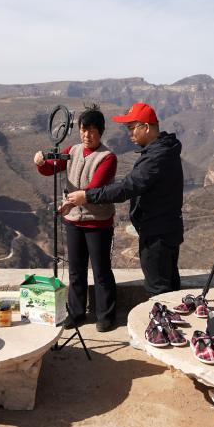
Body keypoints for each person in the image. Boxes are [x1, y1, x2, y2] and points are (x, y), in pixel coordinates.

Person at [65, 102, 184, 295]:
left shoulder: (157, 157)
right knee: (170, 287)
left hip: (157, 236)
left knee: (159, 290)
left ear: (146, 127)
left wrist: (87, 196)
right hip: (165, 230)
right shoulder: (163, 150)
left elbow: (126, 188)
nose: (129, 134)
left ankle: (162, 314)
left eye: (131, 128)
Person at [37, 107, 119, 332]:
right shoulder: (72, 151)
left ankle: (105, 315)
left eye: (92, 130)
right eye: (84, 130)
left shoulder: (107, 157)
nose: (87, 135)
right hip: (73, 222)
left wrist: (70, 204)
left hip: (98, 223)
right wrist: (40, 162)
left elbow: (94, 188)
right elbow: (50, 169)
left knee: (101, 271)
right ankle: (76, 313)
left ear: (101, 132)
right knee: (75, 270)